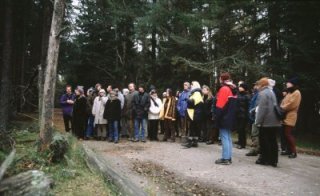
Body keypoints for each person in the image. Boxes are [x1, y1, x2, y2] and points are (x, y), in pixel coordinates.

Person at [255, 77, 281, 167]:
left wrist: (258, 121)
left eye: (258, 84)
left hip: (266, 122)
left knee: (264, 141)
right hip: (274, 121)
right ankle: (273, 160)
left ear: (262, 85)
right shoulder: (271, 92)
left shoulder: (262, 94)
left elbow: (262, 109)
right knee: (273, 141)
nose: (257, 86)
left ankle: (264, 159)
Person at [215, 72, 238, 165]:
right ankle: (228, 157)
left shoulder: (224, 89)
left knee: (224, 137)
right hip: (230, 116)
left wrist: (217, 116)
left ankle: (225, 158)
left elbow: (220, 105)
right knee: (228, 137)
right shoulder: (232, 88)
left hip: (224, 117)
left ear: (222, 79)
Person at [280, 77, 301, 158]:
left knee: (288, 134)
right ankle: (288, 150)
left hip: (291, 116)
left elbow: (292, 104)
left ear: (293, 84)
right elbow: (283, 102)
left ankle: (294, 152)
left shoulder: (297, 92)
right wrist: (282, 107)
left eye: (288, 83)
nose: (287, 84)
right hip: (284, 116)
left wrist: (282, 108)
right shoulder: (289, 92)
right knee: (284, 134)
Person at [184, 81, 203, 148]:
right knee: (194, 128)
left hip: (195, 114)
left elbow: (192, 103)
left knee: (192, 128)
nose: (191, 86)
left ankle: (190, 143)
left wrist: (187, 99)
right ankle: (194, 142)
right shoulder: (196, 93)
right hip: (195, 113)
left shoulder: (197, 93)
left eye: (192, 84)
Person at [246, 83, 260, 156]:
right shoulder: (255, 93)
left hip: (256, 116)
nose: (254, 86)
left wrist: (252, 110)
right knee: (255, 133)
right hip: (254, 116)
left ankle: (255, 150)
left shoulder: (259, 94)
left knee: (255, 133)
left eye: (256, 85)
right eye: (254, 85)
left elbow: (258, 105)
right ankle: (257, 148)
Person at [236, 83, 251, 149]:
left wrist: (247, 115)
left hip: (244, 115)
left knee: (242, 129)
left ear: (244, 88)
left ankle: (242, 143)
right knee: (239, 129)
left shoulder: (247, 96)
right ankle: (240, 142)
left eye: (241, 87)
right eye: (239, 87)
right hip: (238, 114)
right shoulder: (238, 94)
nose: (239, 88)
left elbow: (248, 106)